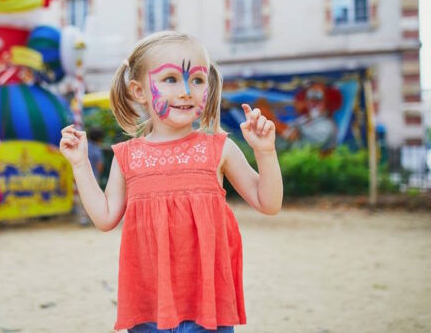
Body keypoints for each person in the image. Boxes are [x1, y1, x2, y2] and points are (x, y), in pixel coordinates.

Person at [59, 31, 283, 332]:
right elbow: (104, 217)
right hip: (148, 310)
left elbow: (269, 203)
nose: (187, 90)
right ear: (139, 91)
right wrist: (80, 164)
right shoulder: (128, 157)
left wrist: (265, 152)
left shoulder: (219, 148)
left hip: (209, 309)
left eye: (198, 80)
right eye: (170, 80)